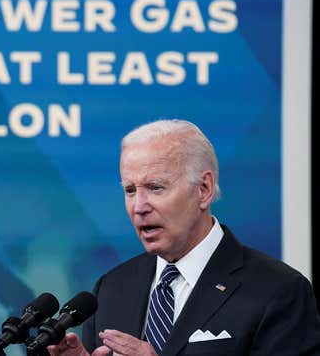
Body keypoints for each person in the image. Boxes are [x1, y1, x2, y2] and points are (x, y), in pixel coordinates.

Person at [48, 120, 320, 356]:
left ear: (204, 189)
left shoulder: (278, 290)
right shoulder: (111, 289)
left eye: (155, 187)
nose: (138, 206)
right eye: (130, 190)